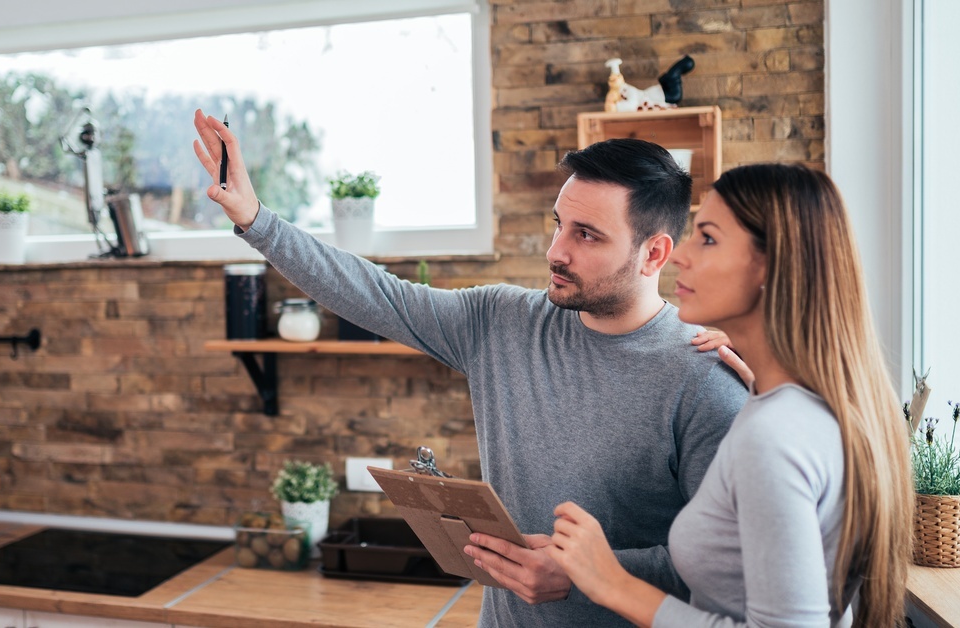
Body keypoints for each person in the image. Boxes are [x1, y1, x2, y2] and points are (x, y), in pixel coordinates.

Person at [192, 109, 749, 627]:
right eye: (559, 224)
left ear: (654, 253)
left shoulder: (704, 377)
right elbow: (373, 293)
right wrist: (254, 219)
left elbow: (727, 564)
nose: (556, 251)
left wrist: (586, 573)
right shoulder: (500, 321)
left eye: (586, 235)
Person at [545, 164, 914, 627]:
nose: (679, 255)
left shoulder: (774, 436)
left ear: (771, 266)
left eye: (709, 238)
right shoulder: (802, 407)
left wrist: (611, 582)